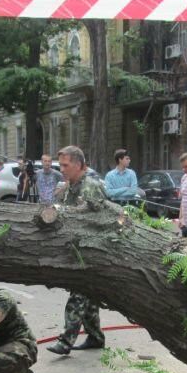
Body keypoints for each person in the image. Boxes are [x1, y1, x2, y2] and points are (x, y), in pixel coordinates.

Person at [46, 145, 107, 356]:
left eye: (65, 165)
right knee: (87, 297)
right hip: (77, 251)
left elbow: (95, 221)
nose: (61, 169)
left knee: (78, 296)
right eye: (60, 164)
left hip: (92, 251)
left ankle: (66, 341)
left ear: (78, 165)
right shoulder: (70, 187)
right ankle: (96, 336)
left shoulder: (90, 187)